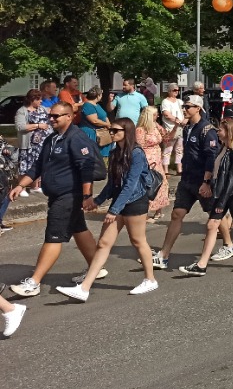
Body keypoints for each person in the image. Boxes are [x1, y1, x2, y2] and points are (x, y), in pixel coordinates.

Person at [7, 102, 104, 298]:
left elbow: (86, 169)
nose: (51, 119)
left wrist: (87, 196)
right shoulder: (52, 139)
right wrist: (20, 185)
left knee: (53, 235)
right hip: (57, 195)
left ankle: (34, 282)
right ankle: (97, 268)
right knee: (79, 229)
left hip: (69, 196)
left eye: (56, 116)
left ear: (69, 116)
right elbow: (38, 166)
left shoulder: (76, 138)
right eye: (50, 116)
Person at [54, 118, 158, 300]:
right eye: (111, 130)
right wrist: (97, 201)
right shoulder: (114, 152)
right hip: (119, 201)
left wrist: (114, 210)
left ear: (126, 132)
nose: (111, 133)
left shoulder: (136, 153)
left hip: (135, 201)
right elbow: (113, 183)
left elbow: (131, 185)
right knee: (103, 243)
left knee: (138, 241)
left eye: (115, 130)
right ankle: (84, 288)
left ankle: (150, 280)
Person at [150, 95, 225, 269]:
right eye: (183, 106)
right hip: (187, 180)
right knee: (176, 214)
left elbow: (211, 157)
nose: (184, 109)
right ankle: (163, 255)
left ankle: (228, 244)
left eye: (188, 106)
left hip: (202, 180)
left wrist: (207, 182)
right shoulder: (187, 128)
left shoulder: (207, 130)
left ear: (198, 108)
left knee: (215, 215)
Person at [179, 119, 233, 275]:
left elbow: (232, 178)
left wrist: (221, 201)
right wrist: (208, 184)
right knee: (212, 225)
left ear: (229, 132)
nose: (217, 132)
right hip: (222, 192)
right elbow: (216, 172)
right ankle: (201, 265)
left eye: (220, 130)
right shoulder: (223, 149)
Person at [136, 106, 170, 222]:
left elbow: (166, 137)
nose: (158, 116)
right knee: (149, 185)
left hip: (158, 159)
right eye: (155, 115)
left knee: (160, 183)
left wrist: (173, 127)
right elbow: (139, 146)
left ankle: (158, 210)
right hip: (147, 159)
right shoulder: (140, 130)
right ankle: (144, 214)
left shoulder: (155, 126)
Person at [16, 89, 51, 196]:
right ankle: (21, 188)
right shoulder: (22, 111)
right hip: (28, 144)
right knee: (24, 165)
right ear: (32, 99)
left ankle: (35, 186)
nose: (41, 101)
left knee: (38, 164)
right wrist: (38, 125)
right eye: (39, 99)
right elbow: (20, 127)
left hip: (41, 143)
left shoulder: (43, 109)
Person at [79, 86, 113, 159]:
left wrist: (108, 124)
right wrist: (107, 124)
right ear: (98, 95)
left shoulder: (97, 105)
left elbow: (104, 116)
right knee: (92, 155)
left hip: (101, 133)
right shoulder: (88, 105)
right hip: (91, 133)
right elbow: (94, 120)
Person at [160, 83, 185, 174]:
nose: (176, 92)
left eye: (177, 90)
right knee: (167, 149)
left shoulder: (180, 101)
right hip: (169, 129)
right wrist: (176, 120)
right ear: (169, 91)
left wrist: (184, 120)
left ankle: (179, 169)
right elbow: (166, 114)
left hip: (180, 128)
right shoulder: (165, 102)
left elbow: (185, 112)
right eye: (174, 90)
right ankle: (166, 170)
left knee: (179, 149)